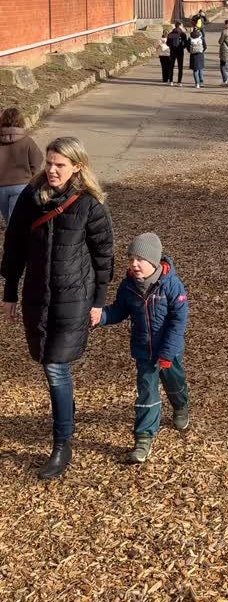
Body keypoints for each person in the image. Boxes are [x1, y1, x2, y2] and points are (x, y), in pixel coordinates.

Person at [1, 136, 114, 479]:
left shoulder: (90, 205)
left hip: (74, 299)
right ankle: (65, 429)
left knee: (55, 367)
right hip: (38, 296)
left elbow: (103, 255)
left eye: (59, 165)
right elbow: (14, 244)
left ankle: (62, 445)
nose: (51, 169)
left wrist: (98, 302)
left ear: (77, 167)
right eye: (49, 162)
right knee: (47, 361)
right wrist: (10, 292)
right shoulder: (30, 198)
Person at [93, 232, 189, 465]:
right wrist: (101, 316)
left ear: (154, 262)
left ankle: (181, 406)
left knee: (173, 381)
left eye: (140, 260)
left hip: (168, 350)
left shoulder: (171, 285)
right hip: (144, 351)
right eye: (131, 259)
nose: (134, 264)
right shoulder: (128, 286)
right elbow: (119, 311)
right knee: (147, 391)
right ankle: (144, 437)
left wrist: (168, 353)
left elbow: (179, 322)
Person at [0, 108, 43, 225]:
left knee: (10, 220)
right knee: (16, 221)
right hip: (22, 185)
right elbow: (37, 160)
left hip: (1, 187)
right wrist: (33, 177)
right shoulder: (27, 141)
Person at [166, 21, 187, 86]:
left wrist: (171, 47)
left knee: (171, 66)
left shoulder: (170, 33)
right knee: (180, 67)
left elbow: (167, 43)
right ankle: (179, 82)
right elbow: (186, 43)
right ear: (180, 25)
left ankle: (171, 81)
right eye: (182, 26)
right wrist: (182, 47)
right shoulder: (182, 34)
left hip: (172, 52)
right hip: (180, 51)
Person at [188, 21, 207, 88]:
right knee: (200, 68)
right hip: (200, 54)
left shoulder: (190, 38)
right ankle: (201, 82)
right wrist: (202, 50)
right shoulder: (201, 37)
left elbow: (188, 47)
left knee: (195, 69)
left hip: (193, 54)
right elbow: (205, 46)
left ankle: (197, 83)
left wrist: (190, 51)